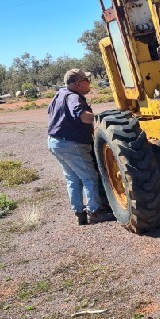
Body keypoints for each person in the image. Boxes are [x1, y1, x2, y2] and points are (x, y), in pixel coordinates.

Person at [47, 69, 114, 225]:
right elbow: (83, 117)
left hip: (55, 142)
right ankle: (95, 212)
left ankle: (79, 213)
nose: (89, 83)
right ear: (78, 83)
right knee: (89, 177)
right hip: (71, 144)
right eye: (87, 80)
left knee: (73, 178)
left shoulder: (59, 94)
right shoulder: (73, 97)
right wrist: (102, 119)